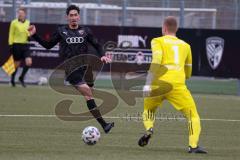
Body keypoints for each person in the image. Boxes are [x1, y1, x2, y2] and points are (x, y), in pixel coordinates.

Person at [28, 5, 114, 133]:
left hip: (84, 68)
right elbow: (47, 45)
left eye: (75, 15)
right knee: (88, 94)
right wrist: (34, 35)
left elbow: (96, 44)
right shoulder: (61, 31)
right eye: (71, 15)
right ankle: (104, 125)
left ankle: (104, 125)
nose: (73, 17)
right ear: (67, 17)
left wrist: (102, 55)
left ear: (79, 16)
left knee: (89, 91)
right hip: (70, 69)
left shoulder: (85, 31)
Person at [138, 16, 207, 153]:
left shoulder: (157, 41)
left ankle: (149, 128)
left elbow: (156, 60)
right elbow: (188, 71)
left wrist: (148, 83)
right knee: (193, 116)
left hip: (158, 84)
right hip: (177, 85)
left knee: (149, 110)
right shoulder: (186, 46)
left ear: (164, 28)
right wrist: (181, 77)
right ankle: (193, 146)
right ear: (176, 29)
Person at [9, 8, 32, 87]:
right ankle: (12, 79)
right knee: (16, 65)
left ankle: (21, 78)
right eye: (19, 13)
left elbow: (28, 32)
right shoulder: (14, 23)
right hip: (16, 45)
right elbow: (11, 34)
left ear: (25, 14)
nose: (20, 14)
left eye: (22, 13)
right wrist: (10, 44)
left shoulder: (28, 22)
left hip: (25, 45)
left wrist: (29, 36)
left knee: (29, 62)